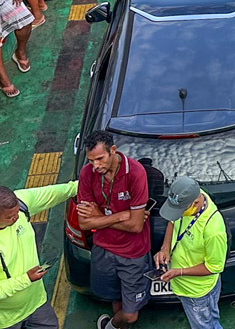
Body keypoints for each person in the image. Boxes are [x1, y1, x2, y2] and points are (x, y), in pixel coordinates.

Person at [0, 179, 78, 329]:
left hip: (36, 304)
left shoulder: (19, 206)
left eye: (17, 213)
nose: (16, 218)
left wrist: (80, 185)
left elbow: (52, 193)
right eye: (10, 217)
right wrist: (26, 279)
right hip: (1, 321)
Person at [77, 130, 152, 329]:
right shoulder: (87, 173)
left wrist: (98, 216)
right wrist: (121, 215)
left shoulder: (135, 173)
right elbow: (84, 223)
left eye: (100, 159)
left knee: (130, 314)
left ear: (113, 150)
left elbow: (136, 226)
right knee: (115, 298)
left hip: (132, 254)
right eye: (91, 160)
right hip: (104, 250)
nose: (96, 166)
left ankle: (110, 326)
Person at [155, 177, 228, 329]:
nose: (178, 214)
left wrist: (179, 272)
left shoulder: (213, 230)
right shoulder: (189, 196)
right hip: (182, 285)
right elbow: (172, 220)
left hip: (197, 293)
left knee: (205, 326)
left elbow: (213, 267)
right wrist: (165, 248)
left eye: (180, 211)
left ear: (195, 202)